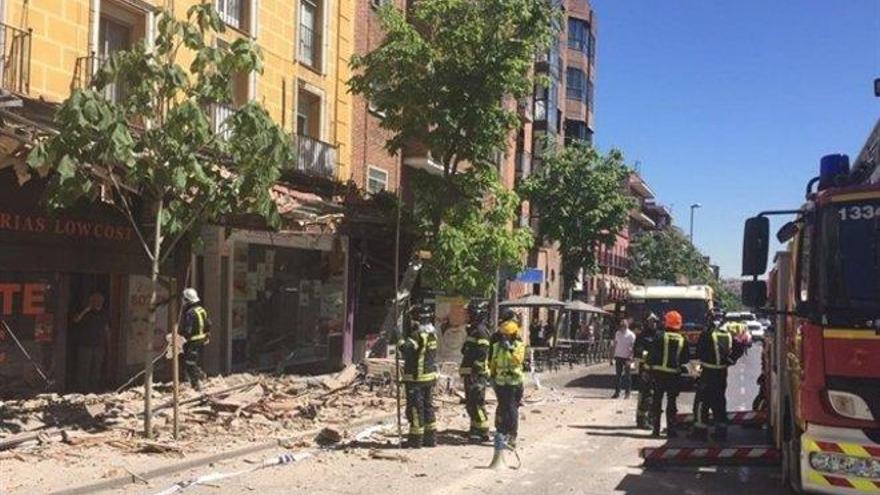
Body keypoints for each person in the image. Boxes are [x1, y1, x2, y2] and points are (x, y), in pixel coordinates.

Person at [691, 315, 745, 441]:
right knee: (719, 402)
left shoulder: (707, 335)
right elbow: (739, 347)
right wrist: (730, 360)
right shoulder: (728, 335)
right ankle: (721, 433)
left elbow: (699, 352)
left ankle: (700, 431)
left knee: (701, 402)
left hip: (708, 373)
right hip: (721, 374)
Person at [399, 303, 439, 448]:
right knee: (428, 407)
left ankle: (416, 440)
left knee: (415, 409)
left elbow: (405, 349)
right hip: (429, 378)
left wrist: (399, 338)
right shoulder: (433, 334)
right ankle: (431, 438)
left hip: (416, 378)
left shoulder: (417, 335)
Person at [644, 310, 688, 438]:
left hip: (658, 375)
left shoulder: (659, 336)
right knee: (672, 403)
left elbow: (651, 355)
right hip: (674, 376)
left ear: (666, 322)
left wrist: (647, 369)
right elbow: (685, 359)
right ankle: (671, 430)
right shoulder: (682, 339)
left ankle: (656, 429)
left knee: (657, 401)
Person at [490, 309, 526, 448]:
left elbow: (518, 360)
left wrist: (510, 349)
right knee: (501, 408)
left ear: (513, 335)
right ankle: (501, 433)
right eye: (503, 335)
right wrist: (491, 376)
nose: (504, 338)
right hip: (500, 383)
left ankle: (512, 435)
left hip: (514, 383)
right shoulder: (497, 346)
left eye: (507, 335)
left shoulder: (519, 346)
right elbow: (493, 362)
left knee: (511, 408)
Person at [459, 299, 491, 442]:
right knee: (471, 403)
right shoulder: (474, 330)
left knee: (476, 402)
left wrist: (475, 372)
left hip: (476, 374)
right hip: (470, 372)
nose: (468, 316)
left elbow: (481, 353)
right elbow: (465, 350)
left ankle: (482, 431)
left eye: (470, 313)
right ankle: (474, 429)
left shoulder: (481, 332)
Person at [73, 292, 110, 391]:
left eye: (100, 301)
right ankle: (82, 389)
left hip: (99, 345)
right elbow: (76, 320)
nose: (98, 303)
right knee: (84, 368)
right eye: (95, 301)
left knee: (96, 369)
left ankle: (94, 389)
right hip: (85, 345)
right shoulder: (85, 312)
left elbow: (106, 328)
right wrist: (86, 309)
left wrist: (108, 343)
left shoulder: (104, 313)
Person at [181, 288, 211, 391]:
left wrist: (182, 337)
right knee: (194, 360)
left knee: (189, 362)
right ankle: (199, 376)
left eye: (184, 299)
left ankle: (197, 382)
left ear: (188, 300)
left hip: (193, 341)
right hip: (202, 339)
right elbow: (208, 324)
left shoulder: (190, 312)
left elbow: (188, 329)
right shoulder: (201, 309)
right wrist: (207, 336)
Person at [634, 313, 660, 428]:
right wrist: (649, 356)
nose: (653, 323)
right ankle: (641, 420)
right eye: (650, 321)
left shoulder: (659, 335)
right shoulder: (642, 336)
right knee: (644, 395)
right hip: (645, 369)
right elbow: (637, 351)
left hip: (657, 369)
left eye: (654, 321)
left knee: (654, 396)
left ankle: (651, 419)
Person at [611, 318, 636, 399]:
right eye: (621, 325)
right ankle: (617, 392)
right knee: (618, 375)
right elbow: (615, 344)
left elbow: (633, 347)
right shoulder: (617, 333)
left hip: (627, 357)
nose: (622, 327)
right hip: (618, 356)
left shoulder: (631, 335)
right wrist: (612, 356)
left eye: (624, 325)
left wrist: (632, 357)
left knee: (627, 376)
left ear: (627, 326)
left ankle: (627, 393)